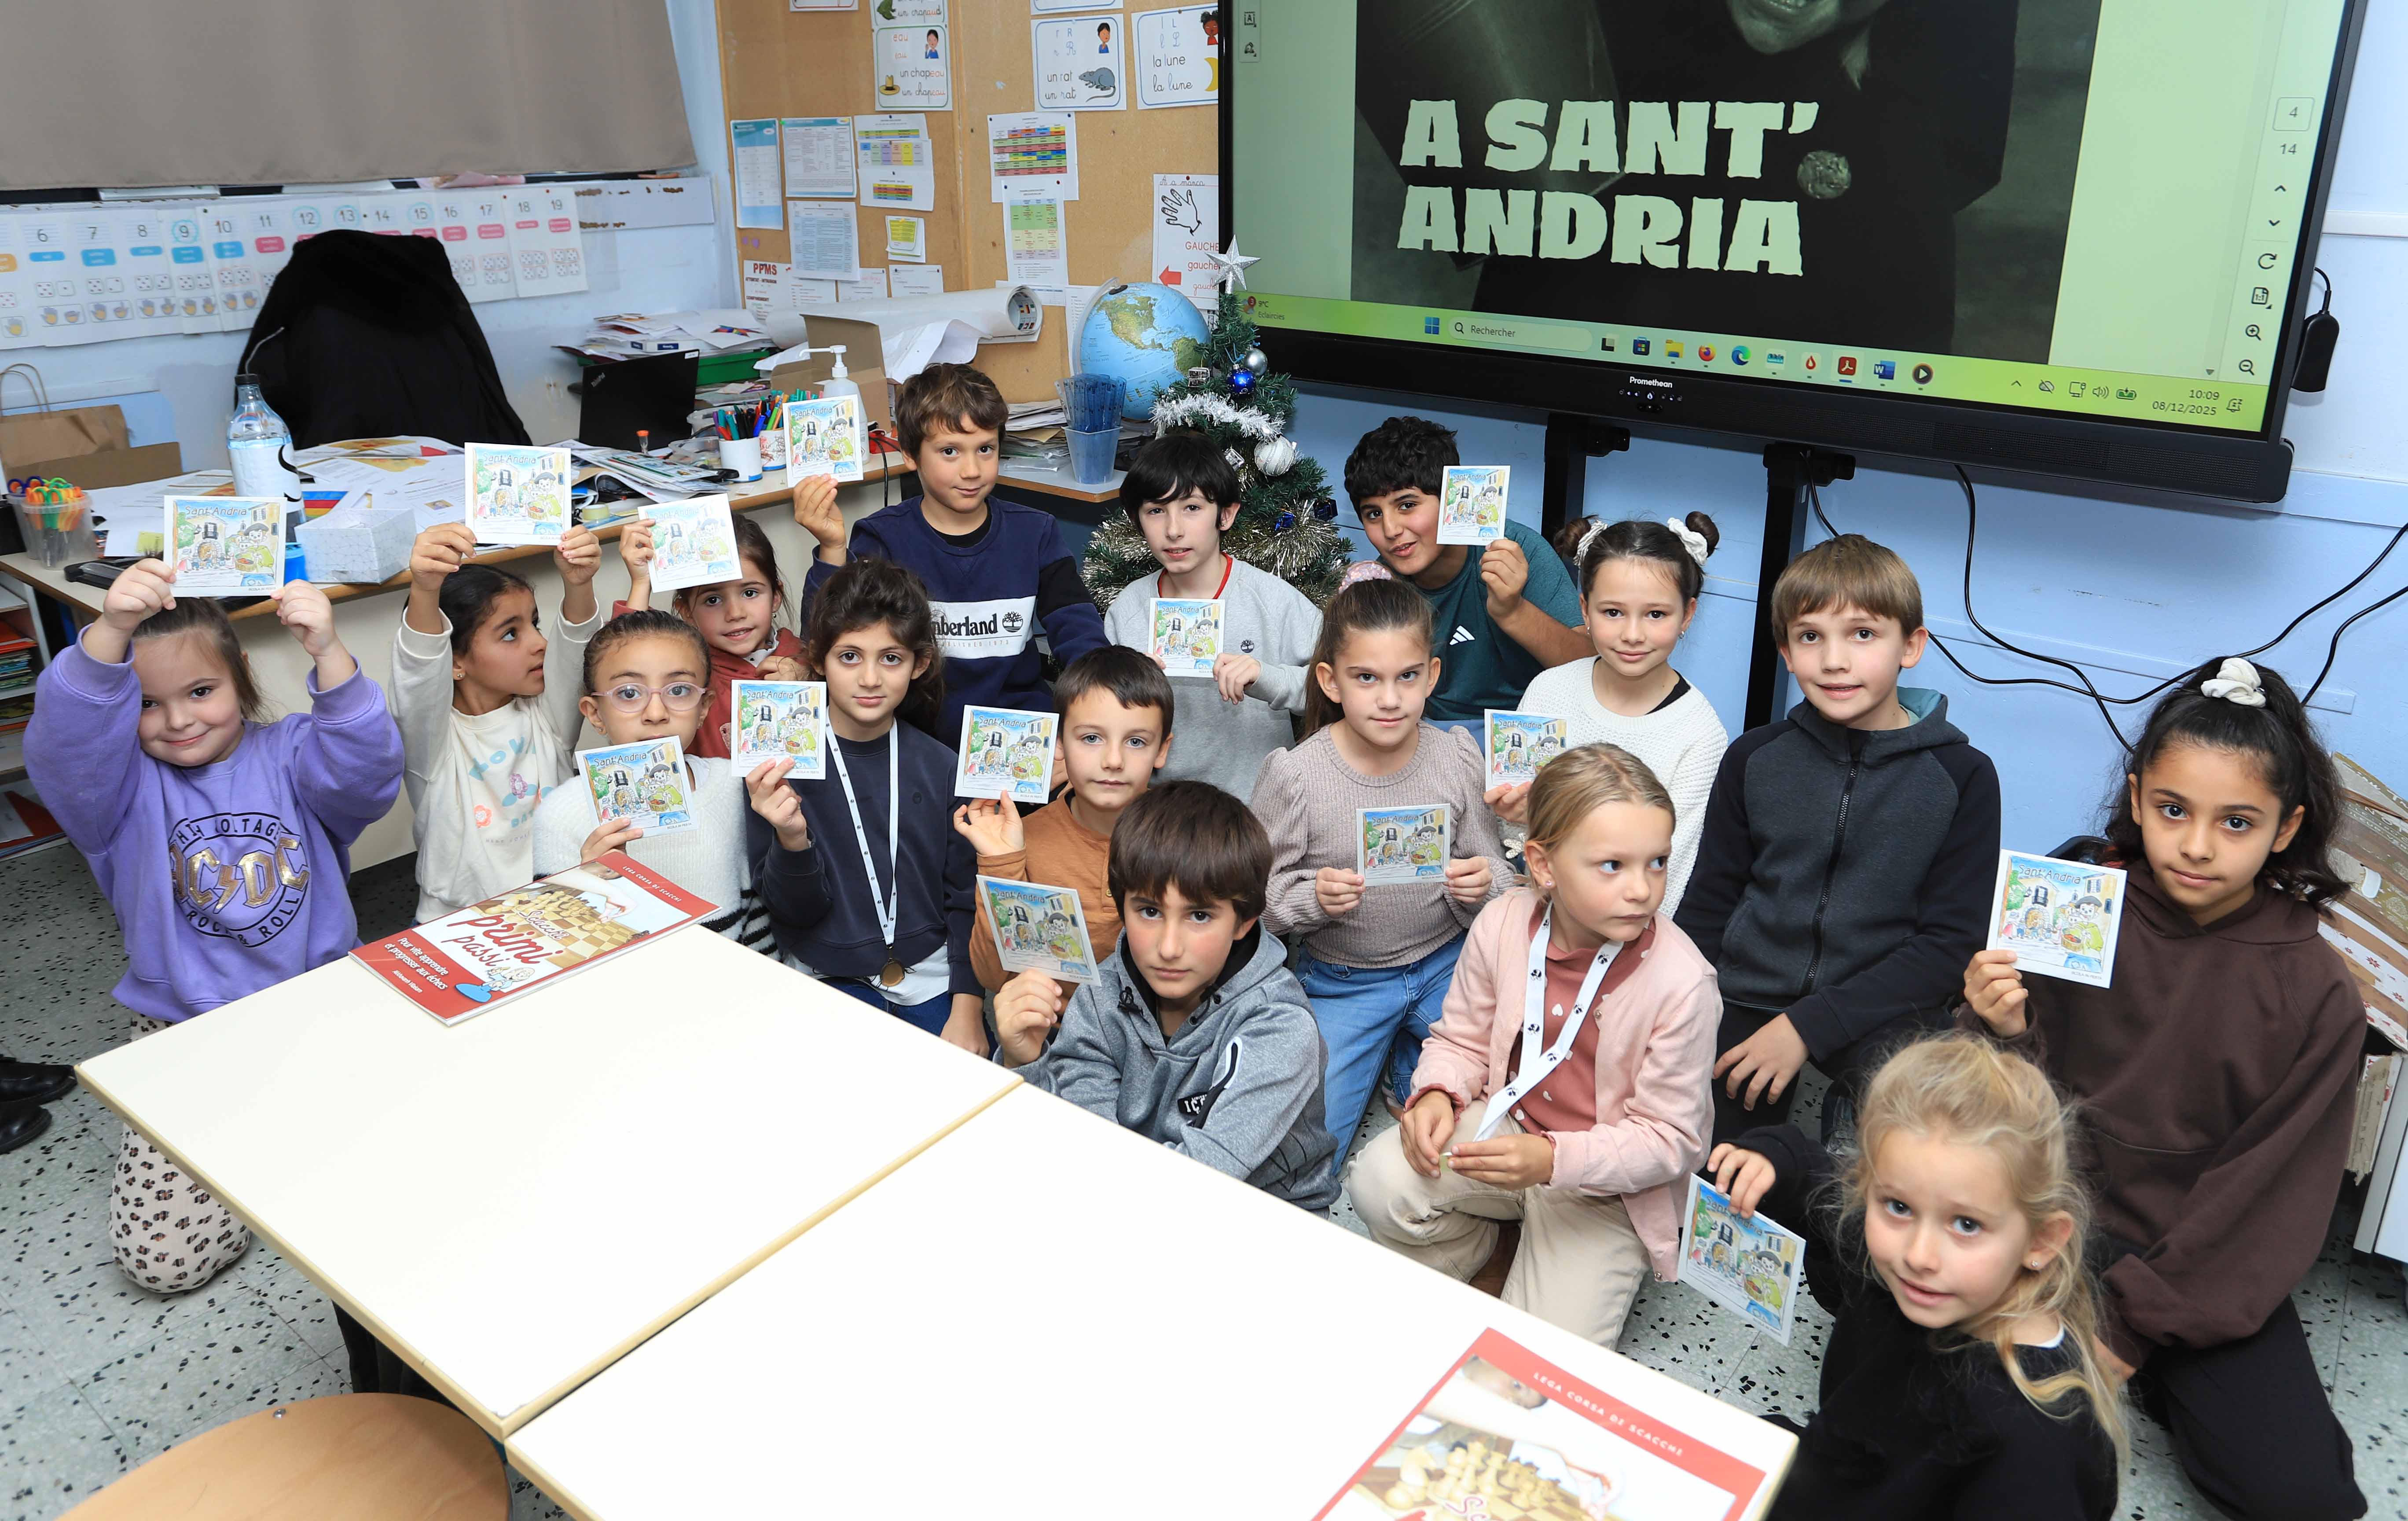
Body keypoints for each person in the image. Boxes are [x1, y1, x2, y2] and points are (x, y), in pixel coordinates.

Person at [1960, 655, 2368, 1521]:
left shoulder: (2317, 991)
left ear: (2286, 828)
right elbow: (1994, 1114)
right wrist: (1995, 1030)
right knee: (1941, 1404)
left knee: (2303, 1498)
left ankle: (2152, 1370)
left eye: (2237, 822)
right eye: (2174, 810)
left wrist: (2131, 1329)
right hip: (2051, 1229)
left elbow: (2267, 1201)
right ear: (2139, 796)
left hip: (2201, 1268)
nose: (2196, 844)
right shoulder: (2076, 907)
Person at [26, 562, 402, 1291]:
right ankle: (268, 1139)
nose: (178, 720)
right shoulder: (114, 792)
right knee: (161, 1263)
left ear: (242, 684)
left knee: (414, 1176)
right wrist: (109, 633)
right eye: (146, 703)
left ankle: (286, 1134)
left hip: (323, 1005)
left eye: (201, 691)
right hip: (188, 1030)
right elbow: (64, 744)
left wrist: (329, 652)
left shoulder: (294, 752)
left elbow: (367, 769)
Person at [1349, 744, 1719, 1346]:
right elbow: (1461, 1039)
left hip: (1605, 1189)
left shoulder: (1685, 983)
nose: (1642, 890)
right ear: (1544, 866)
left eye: (1656, 863)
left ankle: (1529, 1274)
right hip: (1507, 1128)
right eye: (1612, 866)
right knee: (1379, 1180)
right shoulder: (1503, 922)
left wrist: (1552, 1161)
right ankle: (1486, 1251)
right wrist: (1437, 1093)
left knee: (1540, 1360)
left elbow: (1670, 1139)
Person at [1707, 1033, 2125, 1519]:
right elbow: (1814, 1176)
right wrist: (1773, 1157)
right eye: (1899, 1206)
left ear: (2041, 1242)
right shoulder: (1910, 1264)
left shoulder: (2035, 1446)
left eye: (1966, 1225)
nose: (1919, 1255)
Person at [1675, 533, 1998, 1146]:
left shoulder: (1965, 778)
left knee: (1881, 1169)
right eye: (1810, 637)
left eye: (1863, 634)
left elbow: (1949, 945)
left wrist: (1806, 1027)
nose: (1834, 660)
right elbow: (1709, 905)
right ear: (1787, 653)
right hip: (1746, 1002)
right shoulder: (1753, 759)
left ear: (1913, 646)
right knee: (1721, 1180)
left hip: (1885, 1016)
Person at [1253, 578, 1513, 1167]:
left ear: (1434, 676)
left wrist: (1484, 883)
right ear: (1330, 681)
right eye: (1367, 678)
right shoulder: (1297, 776)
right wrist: (1311, 899)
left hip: (1449, 963)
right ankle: (1396, 1048)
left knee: (1506, 1083)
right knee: (1305, 1147)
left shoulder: (1453, 757)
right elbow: (1254, 900)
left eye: (1408, 677)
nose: (1389, 698)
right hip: (1346, 979)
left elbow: (1496, 866)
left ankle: (1408, 1057)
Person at [991, 781, 1340, 1209]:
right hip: (1132, 1199)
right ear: (1122, 907)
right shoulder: (1101, 997)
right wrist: (1025, 1062)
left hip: (1265, 1217)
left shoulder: (1279, 1026)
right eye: (1150, 911)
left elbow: (1191, 1187)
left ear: (1244, 921)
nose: (1169, 947)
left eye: (1199, 915)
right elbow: (1082, 1145)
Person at [748, 558, 985, 1051]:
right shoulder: (777, 768)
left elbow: (966, 898)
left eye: (891, 659)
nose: (871, 679)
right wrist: (792, 840)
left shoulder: (942, 767)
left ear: (919, 664)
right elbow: (791, 911)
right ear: (818, 660)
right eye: (850, 657)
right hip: (825, 978)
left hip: (932, 979)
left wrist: (968, 1009)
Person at [798, 363, 1106, 737]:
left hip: (1020, 734)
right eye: (950, 451)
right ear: (911, 455)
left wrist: (1101, 690)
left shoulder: (1035, 532)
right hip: (920, 738)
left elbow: (1077, 631)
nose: (972, 470)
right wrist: (832, 548)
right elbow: (832, 636)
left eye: (986, 449)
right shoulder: (883, 538)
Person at [1505, 513, 1730, 912]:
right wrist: (1514, 814)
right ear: (1585, 610)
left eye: (1656, 614)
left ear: (1688, 614)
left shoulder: (1699, 733)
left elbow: (1669, 876)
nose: (1632, 634)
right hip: (1533, 912)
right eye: (1613, 612)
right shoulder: (1549, 691)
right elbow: (1512, 839)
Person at [391, 521, 604, 921]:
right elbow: (417, 672)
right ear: (455, 660)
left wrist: (579, 584)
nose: (539, 643)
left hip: (562, 906)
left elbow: (576, 651)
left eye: (534, 624)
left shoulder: (548, 717)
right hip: (459, 921)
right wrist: (424, 589)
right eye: (510, 634)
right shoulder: (433, 742)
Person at [529, 610, 771, 952]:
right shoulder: (562, 813)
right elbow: (557, 947)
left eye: (679, 690)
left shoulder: (734, 788)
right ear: (595, 713)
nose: (656, 713)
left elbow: (758, 924)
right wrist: (591, 885)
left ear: (704, 707)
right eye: (629, 693)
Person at [1101, 432, 1319, 802]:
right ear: (1138, 521)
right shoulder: (1128, 609)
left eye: (1192, 508)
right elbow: (1097, 714)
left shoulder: (1274, 600)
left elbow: (1338, 689)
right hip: (1156, 809)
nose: (1173, 530)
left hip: (1256, 808)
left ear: (1227, 515)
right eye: (1156, 511)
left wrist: (1267, 678)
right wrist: (1131, 687)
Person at [1344, 416, 1587, 730]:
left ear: (1453, 500)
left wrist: (1513, 611)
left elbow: (1589, 670)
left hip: (1529, 728)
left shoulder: (1516, 550)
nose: (1391, 530)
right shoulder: (1379, 584)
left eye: (1407, 506)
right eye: (1374, 514)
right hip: (1426, 732)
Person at [959, 647, 1172, 991]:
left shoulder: (1187, 835)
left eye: (1136, 741)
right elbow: (994, 977)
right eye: (1091, 738)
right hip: (1053, 1034)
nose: (1113, 760)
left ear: (1162, 749)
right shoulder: (1022, 838)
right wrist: (1000, 863)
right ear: (1058, 744)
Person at [615, 501, 811, 759]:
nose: (735, 613)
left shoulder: (807, 659)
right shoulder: (686, 674)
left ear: (776, 596)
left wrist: (812, 682)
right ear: (686, 611)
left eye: (750, 593)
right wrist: (642, 582)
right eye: (713, 600)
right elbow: (627, 662)